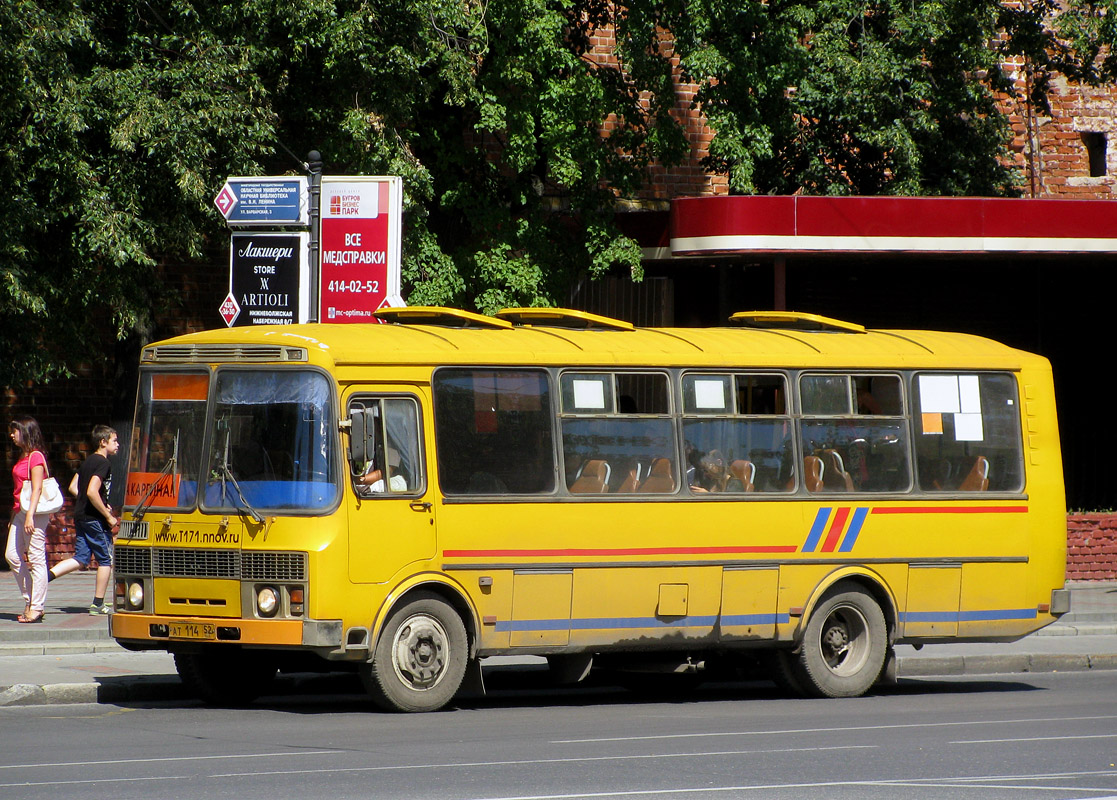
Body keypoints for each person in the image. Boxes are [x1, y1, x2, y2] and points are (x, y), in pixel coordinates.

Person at [48, 425, 119, 614]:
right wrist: (106, 514)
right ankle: (98, 603)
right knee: (106, 560)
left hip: (81, 516)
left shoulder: (88, 462)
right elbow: (91, 491)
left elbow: (73, 487)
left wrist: (96, 502)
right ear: (103, 442)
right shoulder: (103, 463)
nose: (117, 444)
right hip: (95, 519)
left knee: (81, 558)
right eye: (114, 441)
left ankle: (43, 579)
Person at [6, 416, 51, 623]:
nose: (12, 435)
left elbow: (37, 488)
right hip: (20, 512)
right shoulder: (23, 456)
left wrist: (30, 515)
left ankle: (36, 607)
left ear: (26, 431)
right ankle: (31, 599)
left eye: (15, 431)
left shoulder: (36, 457)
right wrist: (15, 515)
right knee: (12, 555)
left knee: (36, 559)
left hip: (35, 513)